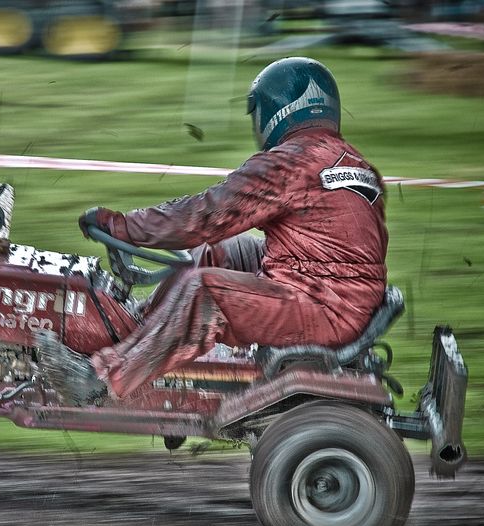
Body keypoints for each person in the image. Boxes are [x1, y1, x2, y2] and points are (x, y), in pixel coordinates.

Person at [36, 56, 388, 405]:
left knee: (206, 291)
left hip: (325, 308)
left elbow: (204, 216)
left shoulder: (291, 164)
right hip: (337, 293)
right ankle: (140, 335)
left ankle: (99, 381)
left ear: (277, 111)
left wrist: (122, 226)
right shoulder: (350, 160)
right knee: (216, 251)